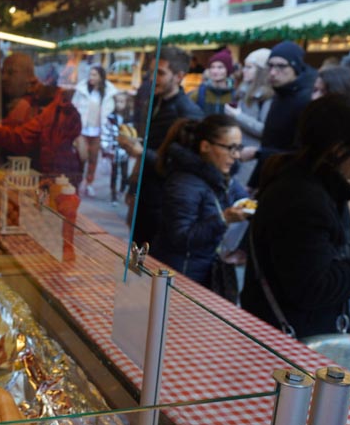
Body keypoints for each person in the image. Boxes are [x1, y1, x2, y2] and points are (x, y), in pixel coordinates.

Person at [241, 94, 350, 337]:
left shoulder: (312, 185)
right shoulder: (302, 199)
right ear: (339, 148)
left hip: (287, 327)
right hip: (285, 340)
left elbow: (325, 254)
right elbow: (315, 287)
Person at [150, 114, 250, 300]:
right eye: (230, 148)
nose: (236, 155)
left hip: (204, 274)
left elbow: (244, 200)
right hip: (179, 278)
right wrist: (224, 219)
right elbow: (180, 237)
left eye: (239, 148)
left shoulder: (224, 178)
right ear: (205, 146)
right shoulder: (184, 184)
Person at [120, 45, 204, 244]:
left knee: (151, 263)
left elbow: (187, 165)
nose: (152, 78)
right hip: (145, 194)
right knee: (136, 260)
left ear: (179, 76)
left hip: (165, 202)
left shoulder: (188, 113)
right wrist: (133, 185)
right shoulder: (154, 101)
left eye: (160, 73)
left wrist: (142, 152)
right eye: (151, 72)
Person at [0, 52, 84, 190]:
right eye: (3, 72)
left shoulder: (39, 104)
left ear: (29, 76)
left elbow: (22, 138)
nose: (4, 78)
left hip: (46, 189)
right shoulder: (20, 100)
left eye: (11, 73)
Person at [242, 40, 316, 189]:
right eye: (270, 66)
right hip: (272, 178)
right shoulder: (280, 94)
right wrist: (254, 183)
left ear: (295, 67)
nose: (273, 72)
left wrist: (258, 153)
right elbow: (270, 140)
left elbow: (302, 153)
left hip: (293, 184)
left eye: (281, 66)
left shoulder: (306, 100)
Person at [225, 48, 272, 186]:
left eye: (249, 67)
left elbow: (265, 129)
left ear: (261, 71)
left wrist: (238, 115)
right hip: (237, 152)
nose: (244, 70)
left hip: (252, 157)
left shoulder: (266, 96)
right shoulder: (244, 90)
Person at [72, 64, 117, 197]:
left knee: (93, 160)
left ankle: (89, 184)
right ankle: (77, 183)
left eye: (94, 75)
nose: (91, 77)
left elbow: (110, 111)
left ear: (101, 77)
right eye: (90, 74)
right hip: (83, 131)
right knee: (81, 158)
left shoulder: (107, 93)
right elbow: (74, 107)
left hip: (97, 132)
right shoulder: (82, 90)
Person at [105, 91, 134, 200]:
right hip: (114, 150)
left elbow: (131, 134)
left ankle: (122, 189)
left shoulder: (129, 118)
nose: (118, 104)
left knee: (124, 172)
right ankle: (113, 193)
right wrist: (107, 147)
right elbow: (107, 133)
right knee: (114, 173)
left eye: (121, 102)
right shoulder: (111, 117)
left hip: (125, 151)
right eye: (117, 101)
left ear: (126, 103)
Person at [190, 49, 235, 115]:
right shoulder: (199, 94)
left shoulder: (236, 96)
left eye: (220, 67)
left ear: (228, 70)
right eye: (212, 67)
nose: (215, 71)